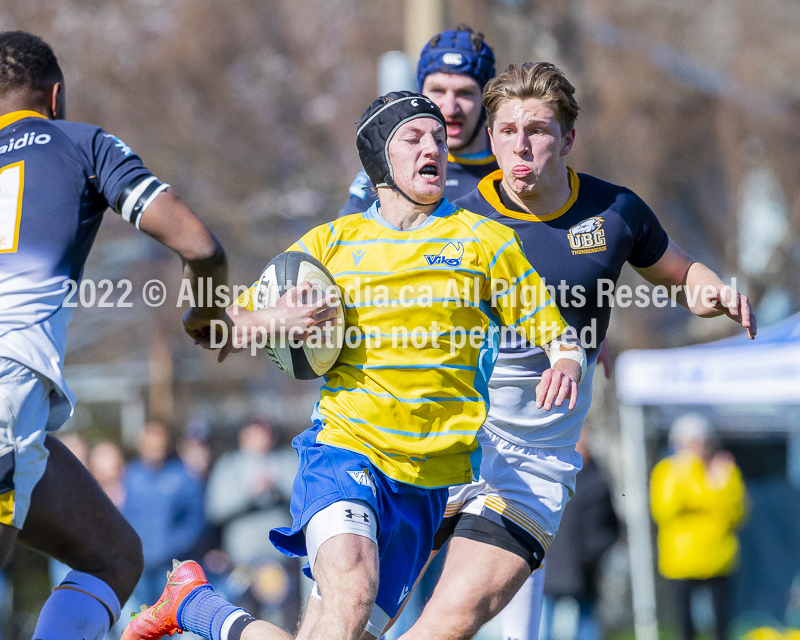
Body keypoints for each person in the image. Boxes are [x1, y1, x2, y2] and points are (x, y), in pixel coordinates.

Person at [123, 90, 587, 640]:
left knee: (341, 630)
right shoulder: (332, 243)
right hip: (346, 449)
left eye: (437, 138)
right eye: (412, 139)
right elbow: (213, 321)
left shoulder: (485, 241)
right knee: (352, 591)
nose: (431, 147)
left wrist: (566, 361)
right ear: (379, 161)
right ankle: (197, 609)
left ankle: (198, 610)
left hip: (429, 485)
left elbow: (554, 328)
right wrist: (262, 321)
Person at [396, 62, 757, 640]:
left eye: (537, 130)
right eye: (507, 129)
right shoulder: (451, 219)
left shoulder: (617, 211)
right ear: (489, 139)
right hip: (450, 436)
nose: (521, 144)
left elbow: (681, 273)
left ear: (566, 139)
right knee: (357, 613)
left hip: (538, 455)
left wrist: (714, 292)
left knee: (465, 622)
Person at [0, 30, 230, 640]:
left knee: (113, 554)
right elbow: (200, 245)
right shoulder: (80, 143)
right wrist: (206, 315)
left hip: (15, 410)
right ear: (56, 96)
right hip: (6, 385)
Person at [338, 24, 497, 217]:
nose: (450, 107)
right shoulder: (392, 163)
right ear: (421, 94)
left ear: (485, 99)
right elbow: (348, 234)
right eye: (438, 91)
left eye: (465, 93)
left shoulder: (513, 163)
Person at [650, 414, 748, 640]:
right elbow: (665, 509)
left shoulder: (724, 469)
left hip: (719, 559)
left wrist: (720, 485)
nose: (697, 448)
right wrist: (697, 484)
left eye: (701, 442)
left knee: (722, 626)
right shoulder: (668, 471)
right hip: (682, 561)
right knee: (685, 627)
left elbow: (738, 514)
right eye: (690, 442)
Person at [537, 431, 620, 640]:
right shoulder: (551, 476)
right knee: (543, 623)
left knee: (586, 621)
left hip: (584, 567)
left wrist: (591, 553)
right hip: (552, 564)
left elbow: (610, 527)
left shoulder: (597, 481)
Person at [123, 421, 207, 608]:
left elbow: (195, 522)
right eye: (150, 445)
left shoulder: (183, 477)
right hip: (139, 567)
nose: (154, 449)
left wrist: (171, 548)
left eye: (159, 445)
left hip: (171, 567)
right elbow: (126, 515)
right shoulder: (131, 475)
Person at [205, 418, 296, 566]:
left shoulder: (287, 460)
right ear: (243, 437)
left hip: (281, 554)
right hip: (241, 555)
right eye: (254, 435)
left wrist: (277, 487)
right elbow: (215, 510)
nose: (261, 440)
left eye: (265, 434)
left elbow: (303, 500)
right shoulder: (228, 465)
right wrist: (250, 494)